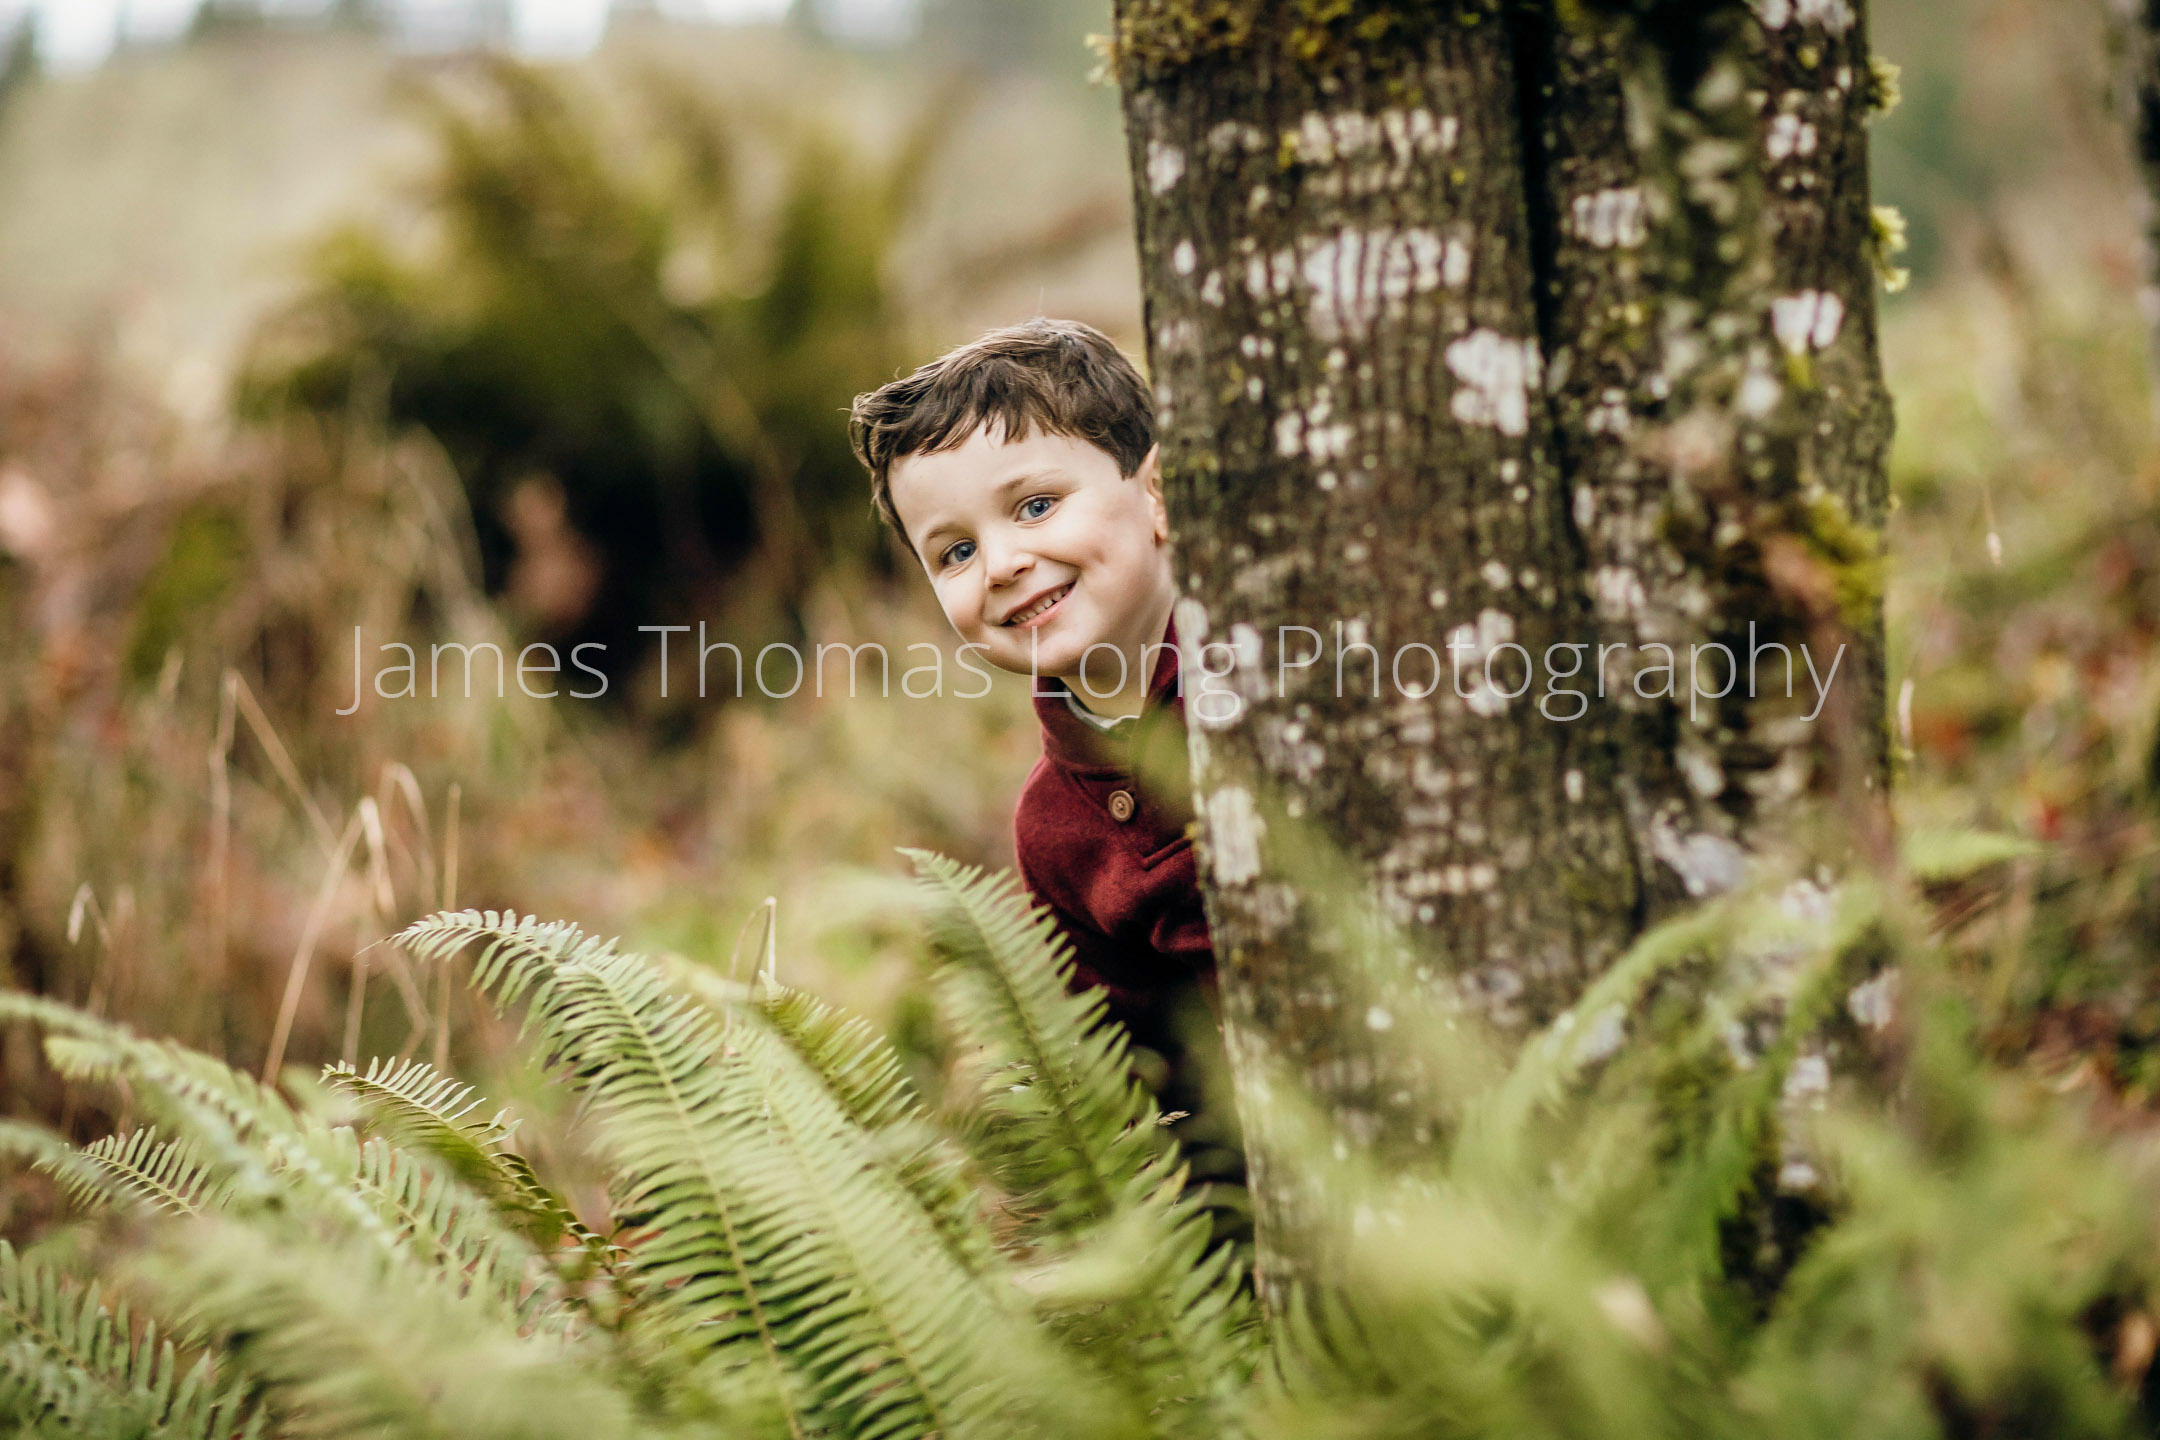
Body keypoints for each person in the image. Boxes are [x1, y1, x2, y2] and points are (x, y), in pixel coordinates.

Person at [849, 319, 1244, 1228]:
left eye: (1034, 506)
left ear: (1159, 493)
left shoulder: (1274, 672)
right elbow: (1137, 1081)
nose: (1003, 565)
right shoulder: (1055, 830)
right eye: (954, 551)